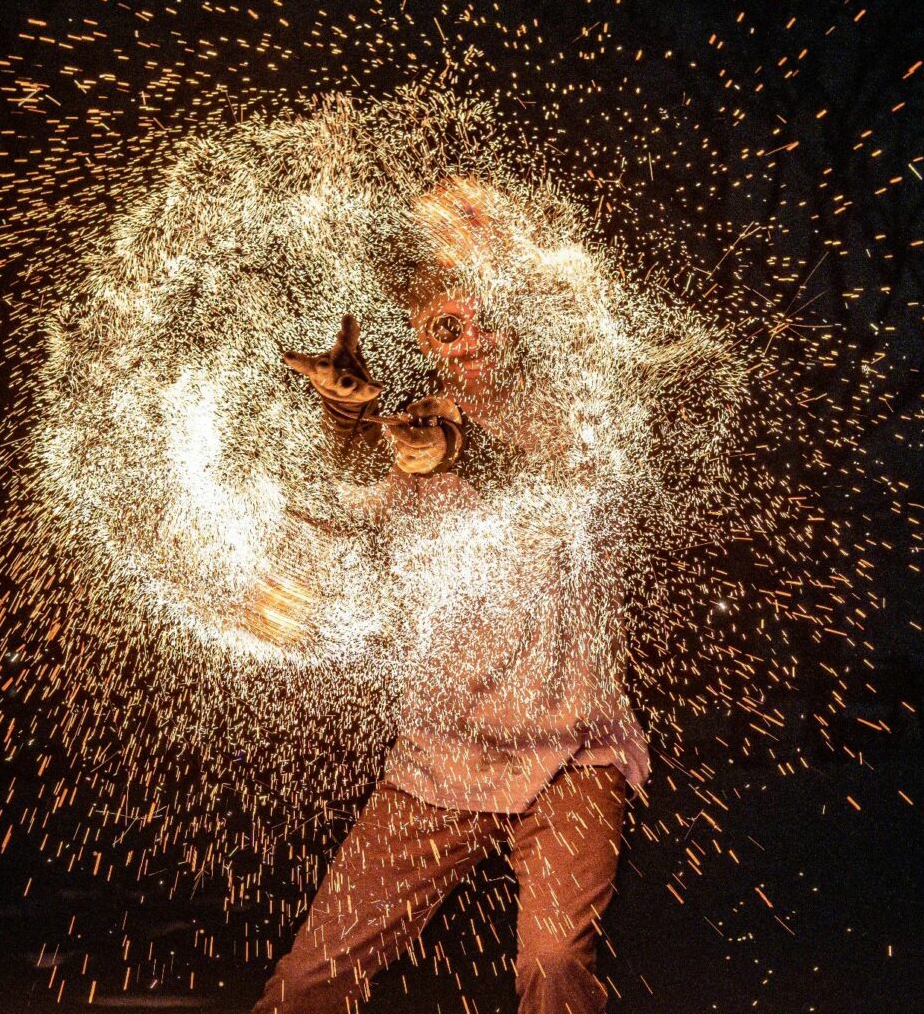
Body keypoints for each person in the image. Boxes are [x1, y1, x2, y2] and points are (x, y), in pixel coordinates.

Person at [250, 178, 649, 1014]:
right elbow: (340, 505)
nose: (469, 340)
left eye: (480, 319)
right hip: (441, 757)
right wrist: (345, 425)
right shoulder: (410, 436)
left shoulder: (570, 409)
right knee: (306, 981)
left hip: (574, 756)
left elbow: (541, 472)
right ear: (421, 341)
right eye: (445, 328)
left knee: (551, 963)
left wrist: (460, 449)